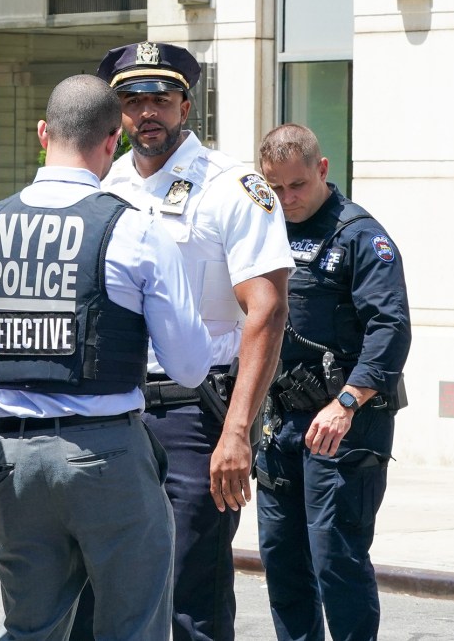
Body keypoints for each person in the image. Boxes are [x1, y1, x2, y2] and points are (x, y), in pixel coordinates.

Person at [0, 73, 213, 640]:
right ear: (112, 143)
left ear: (43, 133)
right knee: (134, 626)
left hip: (10, 454)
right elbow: (190, 366)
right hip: (104, 452)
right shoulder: (136, 228)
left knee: (31, 628)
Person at [77, 41, 293, 641]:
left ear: (186, 104)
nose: (148, 111)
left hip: (195, 416)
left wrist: (237, 431)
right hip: (113, 410)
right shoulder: (103, 186)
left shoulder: (233, 186)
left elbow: (267, 311)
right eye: (132, 99)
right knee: (105, 588)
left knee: (192, 592)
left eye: (161, 98)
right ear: (115, 111)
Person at [254, 123, 411, 641]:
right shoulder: (264, 229)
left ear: (322, 170)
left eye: (296, 186)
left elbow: (390, 328)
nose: (287, 198)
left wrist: (348, 400)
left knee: (335, 558)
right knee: (283, 562)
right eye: (274, 188)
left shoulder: (361, 235)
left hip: (345, 425)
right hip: (282, 425)